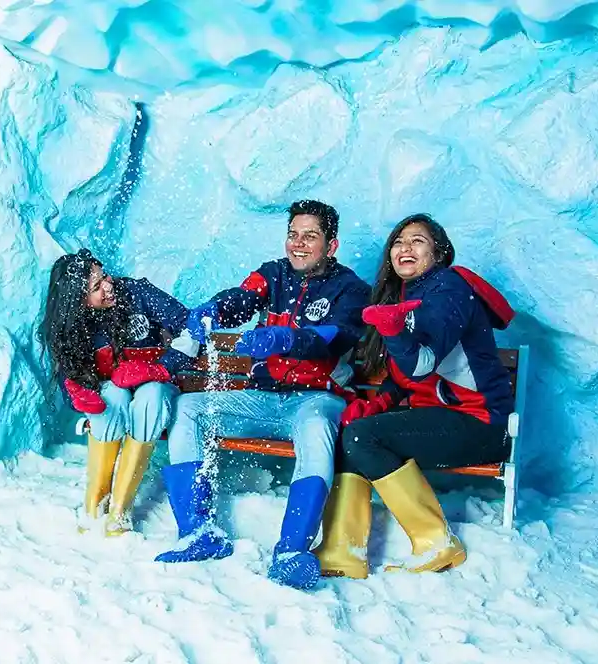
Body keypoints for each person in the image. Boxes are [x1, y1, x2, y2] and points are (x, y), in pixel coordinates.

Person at [153, 200, 372, 591]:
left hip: (316, 399)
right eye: (293, 235)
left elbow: (335, 336)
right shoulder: (273, 275)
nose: (298, 244)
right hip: (261, 396)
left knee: (319, 429)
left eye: (310, 236)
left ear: (332, 245)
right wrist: (213, 310)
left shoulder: (352, 290)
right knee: (188, 407)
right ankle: (199, 531)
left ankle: (291, 551)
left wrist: (288, 338)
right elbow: (242, 298)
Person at [314, 213, 515, 578]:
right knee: (356, 429)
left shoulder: (450, 289)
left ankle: (436, 542)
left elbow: (422, 364)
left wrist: (393, 331)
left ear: (439, 253)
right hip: (439, 418)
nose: (405, 247)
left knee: (364, 436)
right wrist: (377, 403)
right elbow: (404, 378)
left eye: (418, 241)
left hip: (480, 423)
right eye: (399, 242)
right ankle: (342, 550)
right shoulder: (406, 295)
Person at [39, 249, 199, 536]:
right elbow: (73, 380)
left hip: (157, 385)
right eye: (96, 287)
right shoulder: (72, 327)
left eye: (105, 278)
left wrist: (161, 368)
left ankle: (120, 511)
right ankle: (95, 506)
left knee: (150, 398)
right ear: (79, 301)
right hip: (117, 390)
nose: (108, 287)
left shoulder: (137, 293)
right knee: (110, 398)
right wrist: (79, 392)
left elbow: (194, 327)